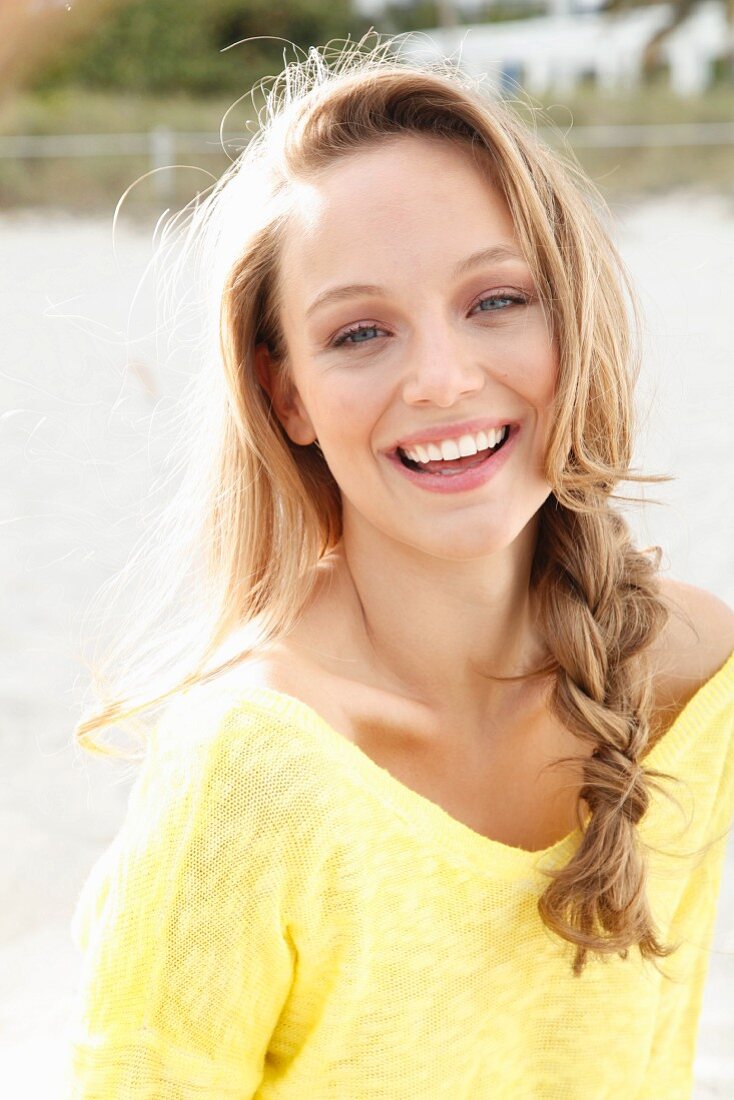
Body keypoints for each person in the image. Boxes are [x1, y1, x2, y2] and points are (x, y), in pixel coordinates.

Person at [65, 34, 734, 1099]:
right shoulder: (246, 773)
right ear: (284, 396)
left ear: (569, 314)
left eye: (494, 301)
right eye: (361, 331)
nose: (440, 377)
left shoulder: (694, 679)